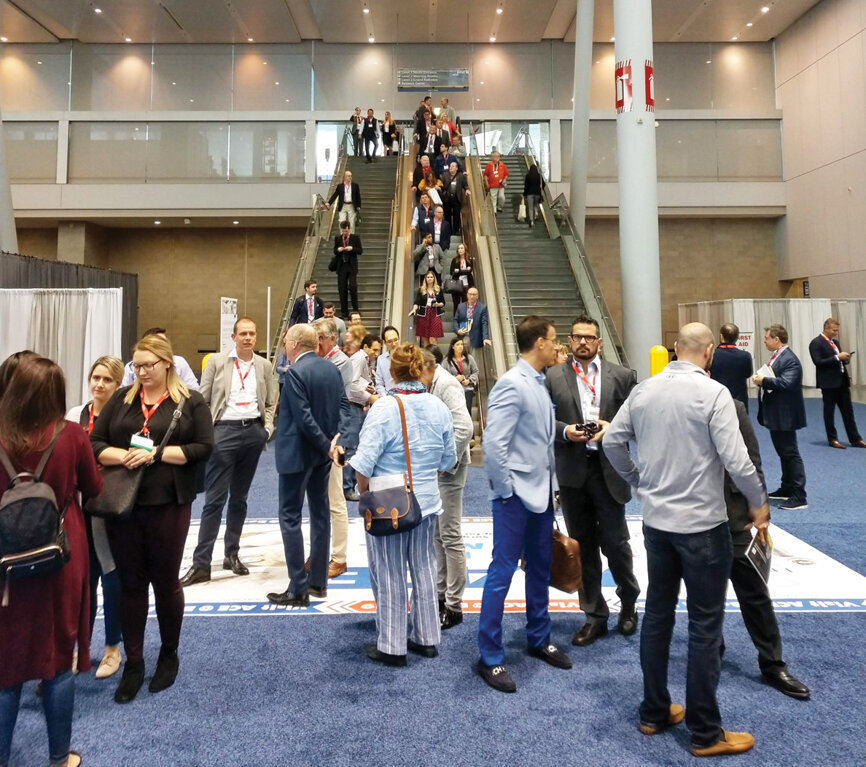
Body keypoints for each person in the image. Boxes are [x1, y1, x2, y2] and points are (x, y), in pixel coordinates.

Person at [603, 322, 769, 758]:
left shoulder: (643, 391)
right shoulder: (713, 394)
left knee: (657, 616)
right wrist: (758, 501)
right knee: (704, 625)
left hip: (657, 524)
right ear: (710, 352)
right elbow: (737, 460)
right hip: (703, 526)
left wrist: (638, 481)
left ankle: (654, 711)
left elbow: (612, 443)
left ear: (675, 349)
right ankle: (705, 732)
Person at [90, 334, 214, 704]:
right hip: (123, 506)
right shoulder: (121, 399)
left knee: (165, 582)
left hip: (169, 504)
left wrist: (156, 455)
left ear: (167, 365)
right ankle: (134, 662)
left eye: (148, 365)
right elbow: (94, 443)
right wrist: (123, 455)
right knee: (130, 584)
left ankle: (168, 654)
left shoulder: (190, 402)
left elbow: (204, 447)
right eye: (137, 366)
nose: (142, 372)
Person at [0, 356, 102, 767]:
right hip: (61, 557)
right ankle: (59, 758)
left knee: (6, 667)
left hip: (5, 562)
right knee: (59, 662)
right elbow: (93, 487)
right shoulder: (72, 435)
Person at [477, 316, 572, 693]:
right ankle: (490, 657)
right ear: (538, 343)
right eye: (553, 340)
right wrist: (505, 492)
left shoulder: (537, 381)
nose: (557, 345)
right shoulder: (511, 385)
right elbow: (493, 445)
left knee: (541, 567)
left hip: (541, 492)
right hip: (515, 495)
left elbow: (541, 438)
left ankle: (539, 637)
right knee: (501, 573)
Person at [348, 344, 456, 666]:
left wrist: (363, 492)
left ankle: (393, 646)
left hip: (389, 503)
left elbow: (363, 465)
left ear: (392, 372)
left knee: (390, 571)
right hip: (427, 502)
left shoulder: (384, 408)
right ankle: (427, 638)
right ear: (421, 369)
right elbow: (448, 459)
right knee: (423, 567)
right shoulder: (439, 406)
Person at [545, 315, 640, 647]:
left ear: (599, 342)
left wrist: (611, 428)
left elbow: (638, 421)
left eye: (590, 337)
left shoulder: (624, 376)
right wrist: (566, 432)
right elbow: (543, 420)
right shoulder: (553, 376)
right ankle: (594, 615)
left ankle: (628, 601)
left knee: (616, 545)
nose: (583, 342)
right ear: (570, 342)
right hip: (573, 471)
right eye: (577, 337)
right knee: (581, 547)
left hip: (609, 470)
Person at [180, 318, 278, 587]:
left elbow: (271, 401)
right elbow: (203, 398)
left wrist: (266, 430)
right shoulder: (216, 362)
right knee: (214, 500)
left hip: (253, 434)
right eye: (243, 333)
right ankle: (201, 563)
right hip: (223, 432)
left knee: (240, 499)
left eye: (252, 333)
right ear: (234, 336)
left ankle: (231, 554)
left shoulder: (264, 365)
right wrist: (206, 433)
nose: (248, 338)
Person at [726, 399, 810, 700]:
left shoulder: (732, 407)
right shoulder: (668, 404)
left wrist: (759, 502)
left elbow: (751, 457)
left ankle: (772, 663)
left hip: (733, 513)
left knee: (754, 592)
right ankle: (712, 651)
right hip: (690, 516)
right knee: (701, 594)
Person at [267, 324, 347, 607]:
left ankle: (298, 588)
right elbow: (343, 408)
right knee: (320, 514)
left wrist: (325, 443)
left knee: (289, 517)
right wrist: (334, 442)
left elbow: (302, 418)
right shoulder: (332, 369)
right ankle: (318, 583)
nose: (284, 345)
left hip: (297, 456)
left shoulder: (296, 373)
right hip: (321, 456)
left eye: (285, 340)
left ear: (294, 344)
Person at [66, 355, 125, 680]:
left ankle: (112, 648)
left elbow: (138, 453)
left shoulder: (125, 417)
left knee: (111, 576)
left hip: (111, 508)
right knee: (82, 580)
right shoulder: (76, 415)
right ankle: (80, 647)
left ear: (118, 385)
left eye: (106, 379)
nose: (99, 384)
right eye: (95, 378)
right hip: (77, 508)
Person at [421, 347, 473, 630]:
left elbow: (465, 428)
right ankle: (441, 594)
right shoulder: (434, 384)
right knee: (439, 535)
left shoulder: (448, 385)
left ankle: (454, 605)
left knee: (450, 535)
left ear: (428, 369)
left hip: (451, 469)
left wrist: (444, 459)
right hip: (438, 467)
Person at [312, 317, 353, 578]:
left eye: (317, 340)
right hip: (314, 438)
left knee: (335, 500)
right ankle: (318, 553)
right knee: (317, 501)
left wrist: (339, 441)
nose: (314, 344)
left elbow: (341, 404)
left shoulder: (341, 363)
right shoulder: (317, 361)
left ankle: (339, 557)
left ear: (330, 339)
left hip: (332, 439)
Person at [753, 324, 808, 511]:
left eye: (767, 337)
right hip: (778, 414)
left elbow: (787, 383)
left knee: (791, 454)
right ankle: (787, 488)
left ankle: (800, 496)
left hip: (786, 414)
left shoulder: (790, 359)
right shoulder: (779, 356)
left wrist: (764, 380)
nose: (764, 340)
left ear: (777, 339)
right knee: (784, 453)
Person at [808, 317, 864, 449]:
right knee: (829, 412)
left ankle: (855, 438)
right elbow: (818, 362)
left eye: (837, 330)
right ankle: (832, 438)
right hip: (828, 383)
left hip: (842, 382)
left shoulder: (835, 343)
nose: (836, 332)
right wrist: (837, 357)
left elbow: (838, 360)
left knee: (848, 412)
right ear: (826, 328)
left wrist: (845, 359)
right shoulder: (816, 343)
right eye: (834, 330)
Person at [342, 327, 380, 502]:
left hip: (356, 406)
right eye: (374, 349)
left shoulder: (362, 359)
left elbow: (358, 383)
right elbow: (353, 385)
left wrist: (368, 389)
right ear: (365, 347)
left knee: (355, 446)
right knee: (352, 447)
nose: (376, 353)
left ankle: (348, 486)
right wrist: (370, 396)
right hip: (352, 406)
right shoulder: (359, 359)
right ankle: (347, 488)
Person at [121, 327, 199, 390]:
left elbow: (194, 388)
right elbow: (124, 391)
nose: (142, 373)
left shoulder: (179, 362)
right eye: (137, 366)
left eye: (164, 342)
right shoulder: (131, 366)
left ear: (167, 363)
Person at [711, 323, 753, 412]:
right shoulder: (745, 356)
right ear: (737, 338)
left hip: (717, 400)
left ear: (721, 336)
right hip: (739, 400)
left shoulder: (712, 355)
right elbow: (748, 374)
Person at [333, 219, 363, 319]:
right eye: (343, 231)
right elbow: (335, 250)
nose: (344, 233)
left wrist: (352, 248)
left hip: (351, 266)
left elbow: (360, 250)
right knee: (342, 289)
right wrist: (338, 249)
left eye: (346, 231)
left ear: (349, 229)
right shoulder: (338, 238)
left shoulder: (355, 238)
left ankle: (356, 310)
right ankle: (344, 312)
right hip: (341, 266)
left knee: (353, 287)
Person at [441, 336, 479, 415]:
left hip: (467, 389)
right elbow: (442, 376)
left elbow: (475, 371)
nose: (460, 346)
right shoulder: (446, 361)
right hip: (454, 390)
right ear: (453, 347)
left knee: (467, 411)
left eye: (461, 344)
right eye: (457, 345)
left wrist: (469, 380)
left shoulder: (469, 358)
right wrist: (455, 378)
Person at [411, 272, 445, 347]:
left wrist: (437, 304)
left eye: (431, 277)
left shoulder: (438, 289)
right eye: (428, 277)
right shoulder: (421, 290)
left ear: (434, 278)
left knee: (433, 339)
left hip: (435, 313)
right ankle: (426, 357)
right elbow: (417, 302)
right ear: (425, 279)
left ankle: (434, 357)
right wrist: (414, 309)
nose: (429, 279)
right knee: (425, 340)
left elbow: (443, 303)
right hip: (424, 315)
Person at [453, 287, 492, 353]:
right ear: (467, 295)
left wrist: (485, 338)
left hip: (476, 338)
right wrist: (458, 330)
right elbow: (455, 320)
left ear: (477, 296)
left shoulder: (482, 307)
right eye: (470, 294)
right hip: (463, 336)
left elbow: (484, 323)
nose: (472, 296)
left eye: (474, 294)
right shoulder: (460, 306)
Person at [325, 169, 361, 233]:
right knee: (341, 221)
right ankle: (342, 237)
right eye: (348, 176)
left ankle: (351, 238)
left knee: (351, 223)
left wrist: (358, 206)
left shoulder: (355, 185)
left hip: (352, 206)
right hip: (343, 206)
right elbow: (335, 195)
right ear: (344, 177)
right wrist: (329, 203)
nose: (350, 177)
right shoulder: (340, 186)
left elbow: (358, 196)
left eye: (351, 176)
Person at [440, 161, 469, 235]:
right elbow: (441, 185)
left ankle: (456, 230)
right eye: (450, 166)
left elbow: (465, 185)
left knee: (456, 215)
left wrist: (467, 190)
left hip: (457, 198)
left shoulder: (461, 176)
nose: (451, 167)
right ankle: (448, 230)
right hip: (447, 198)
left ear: (456, 168)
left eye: (453, 166)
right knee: (447, 215)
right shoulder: (445, 175)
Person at [447, 242, 474, 312]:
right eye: (458, 248)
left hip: (466, 285)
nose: (460, 250)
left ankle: (464, 321)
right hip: (457, 285)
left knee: (466, 304)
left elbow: (470, 272)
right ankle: (456, 321)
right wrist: (465, 271)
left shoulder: (469, 260)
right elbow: (451, 272)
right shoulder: (454, 260)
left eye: (462, 248)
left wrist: (458, 271)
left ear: (465, 249)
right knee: (456, 305)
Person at [374, 325, 400, 397]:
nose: (394, 344)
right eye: (390, 341)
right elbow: (379, 383)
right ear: (385, 343)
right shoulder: (381, 359)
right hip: (388, 397)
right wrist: (385, 397)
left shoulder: (408, 356)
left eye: (396, 340)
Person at [522, 163, 545, 228]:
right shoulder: (539, 176)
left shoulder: (528, 176)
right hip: (537, 193)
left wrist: (525, 194)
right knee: (535, 205)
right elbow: (543, 184)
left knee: (530, 208)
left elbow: (526, 186)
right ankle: (536, 213)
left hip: (529, 194)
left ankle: (531, 220)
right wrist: (541, 189)